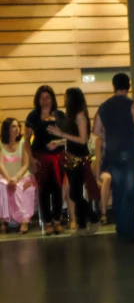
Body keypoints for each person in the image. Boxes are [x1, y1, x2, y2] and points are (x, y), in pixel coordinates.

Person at [93, 73, 134, 242]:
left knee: (119, 191)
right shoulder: (133, 105)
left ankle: (120, 229)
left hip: (113, 155)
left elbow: (96, 130)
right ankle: (129, 231)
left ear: (114, 86)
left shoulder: (104, 106)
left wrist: (108, 137)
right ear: (128, 86)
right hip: (131, 154)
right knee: (130, 194)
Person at [47, 88, 101, 235]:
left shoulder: (80, 116)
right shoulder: (72, 117)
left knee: (75, 195)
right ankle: (82, 226)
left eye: (66, 97)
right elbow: (73, 139)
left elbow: (83, 140)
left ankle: (93, 219)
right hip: (71, 159)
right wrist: (58, 142)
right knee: (75, 194)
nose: (64, 100)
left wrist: (61, 133)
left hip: (79, 160)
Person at [25, 85, 66, 235]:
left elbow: (68, 137)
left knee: (57, 190)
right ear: (37, 100)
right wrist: (31, 160)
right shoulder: (33, 116)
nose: (44, 101)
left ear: (52, 99)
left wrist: (58, 143)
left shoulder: (60, 115)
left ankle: (57, 220)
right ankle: (47, 222)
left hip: (58, 158)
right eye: (41, 98)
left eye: (47, 97)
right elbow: (26, 141)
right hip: (40, 158)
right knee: (43, 191)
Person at [0, 118, 36, 234]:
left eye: (17, 126)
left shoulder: (23, 143)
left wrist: (15, 178)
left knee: (21, 187)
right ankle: (3, 221)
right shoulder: (0, 144)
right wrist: (8, 179)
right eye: (13, 127)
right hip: (5, 177)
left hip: (22, 176)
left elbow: (26, 164)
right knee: (1, 186)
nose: (17, 129)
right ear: (7, 129)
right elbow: (0, 165)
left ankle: (24, 221)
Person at [94, 133, 113, 225]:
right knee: (108, 178)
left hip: (116, 168)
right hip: (104, 169)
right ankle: (103, 213)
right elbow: (98, 161)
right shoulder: (99, 141)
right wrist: (97, 178)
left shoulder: (118, 138)